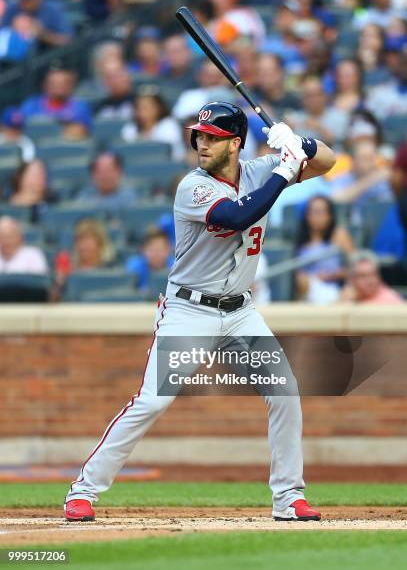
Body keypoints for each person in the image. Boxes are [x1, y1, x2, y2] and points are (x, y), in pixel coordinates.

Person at [64, 100, 336, 522]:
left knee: (285, 393)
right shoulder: (193, 185)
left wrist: (299, 143)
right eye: (200, 136)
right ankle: (83, 491)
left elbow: (328, 161)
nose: (203, 143)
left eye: (213, 137)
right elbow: (236, 215)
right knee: (152, 402)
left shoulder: (258, 171)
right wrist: (286, 169)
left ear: (236, 144)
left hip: (241, 312)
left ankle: (288, 498)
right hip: (190, 310)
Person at [295, 196, 354, 304]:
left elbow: (355, 265)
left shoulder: (339, 234)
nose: (318, 217)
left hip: (334, 288)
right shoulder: (300, 239)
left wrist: (334, 274)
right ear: (307, 216)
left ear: (330, 215)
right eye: (314, 212)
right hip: (307, 290)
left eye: (322, 212)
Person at [53, 217, 115, 299]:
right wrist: (59, 284)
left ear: (100, 243)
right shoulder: (67, 267)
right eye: (79, 240)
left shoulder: (110, 271)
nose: (83, 246)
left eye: (88, 240)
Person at [1, 0, 73, 47]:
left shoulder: (53, 10)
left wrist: (42, 34)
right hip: (14, 57)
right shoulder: (13, 9)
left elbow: (68, 41)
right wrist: (14, 30)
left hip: (46, 56)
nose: (24, 2)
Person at [121, 90, 185, 161]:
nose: (142, 111)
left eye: (146, 107)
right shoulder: (130, 128)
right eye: (138, 108)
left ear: (158, 108)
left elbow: (166, 152)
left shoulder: (168, 124)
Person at [20, 67, 92, 128]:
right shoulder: (32, 105)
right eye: (54, 84)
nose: (59, 88)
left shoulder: (80, 107)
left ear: (71, 86)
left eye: (63, 84)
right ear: (45, 85)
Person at [339, 250, 404, 304]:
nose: (370, 281)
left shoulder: (390, 300)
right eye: (363, 276)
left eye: (373, 275)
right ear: (352, 279)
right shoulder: (347, 298)